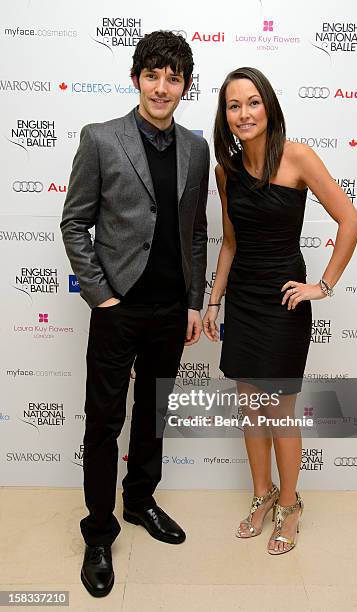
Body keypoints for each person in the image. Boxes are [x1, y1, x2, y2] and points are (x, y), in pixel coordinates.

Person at [61, 30, 209, 597]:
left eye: (174, 78)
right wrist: (101, 296)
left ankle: (140, 500)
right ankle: (99, 532)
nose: (162, 87)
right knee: (103, 423)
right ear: (136, 79)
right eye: (153, 75)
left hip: (172, 310)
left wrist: (194, 301)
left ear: (185, 87)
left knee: (151, 416)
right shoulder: (100, 139)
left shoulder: (196, 148)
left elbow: (194, 229)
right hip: (118, 308)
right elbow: (75, 222)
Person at [203, 67, 357, 556]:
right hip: (245, 299)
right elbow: (230, 242)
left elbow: (351, 220)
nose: (244, 113)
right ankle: (262, 494)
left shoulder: (297, 157)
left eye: (253, 102)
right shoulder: (224, 171)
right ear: (224, 116)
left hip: (284, 300)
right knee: (250, 407)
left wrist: (323, 286)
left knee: (279, 412)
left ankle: (290, 505)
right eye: (234, 106)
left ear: (268, 106)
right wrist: (214, 300)